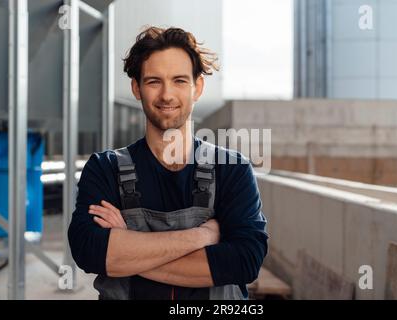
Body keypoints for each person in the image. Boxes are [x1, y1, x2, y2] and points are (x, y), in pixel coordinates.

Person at [68, 26, 268, 300]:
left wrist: (128, 249)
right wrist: (203, 237)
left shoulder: (231, 169)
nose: (167, 95)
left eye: (179, 81)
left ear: (197, 87)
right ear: (136, 88)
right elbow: (89, 252)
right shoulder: (105, 168)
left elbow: (244, 262)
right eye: (153, 81)